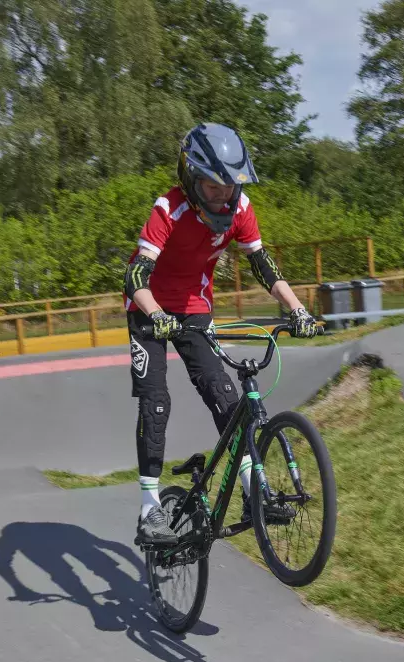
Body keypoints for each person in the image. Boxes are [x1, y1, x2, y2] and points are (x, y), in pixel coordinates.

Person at [123, 122, 318, 547]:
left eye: (232, 186)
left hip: (194, 310)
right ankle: (149, 509)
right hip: (148, 309)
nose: (224, 196)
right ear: (191, 177)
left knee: (224, 395)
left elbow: (263, 264)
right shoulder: (168, 208)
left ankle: (253, 494)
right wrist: (155, 313)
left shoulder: (241, 209)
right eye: (214, 187)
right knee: (157, 403)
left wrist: (298, 308)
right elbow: (135, 275)